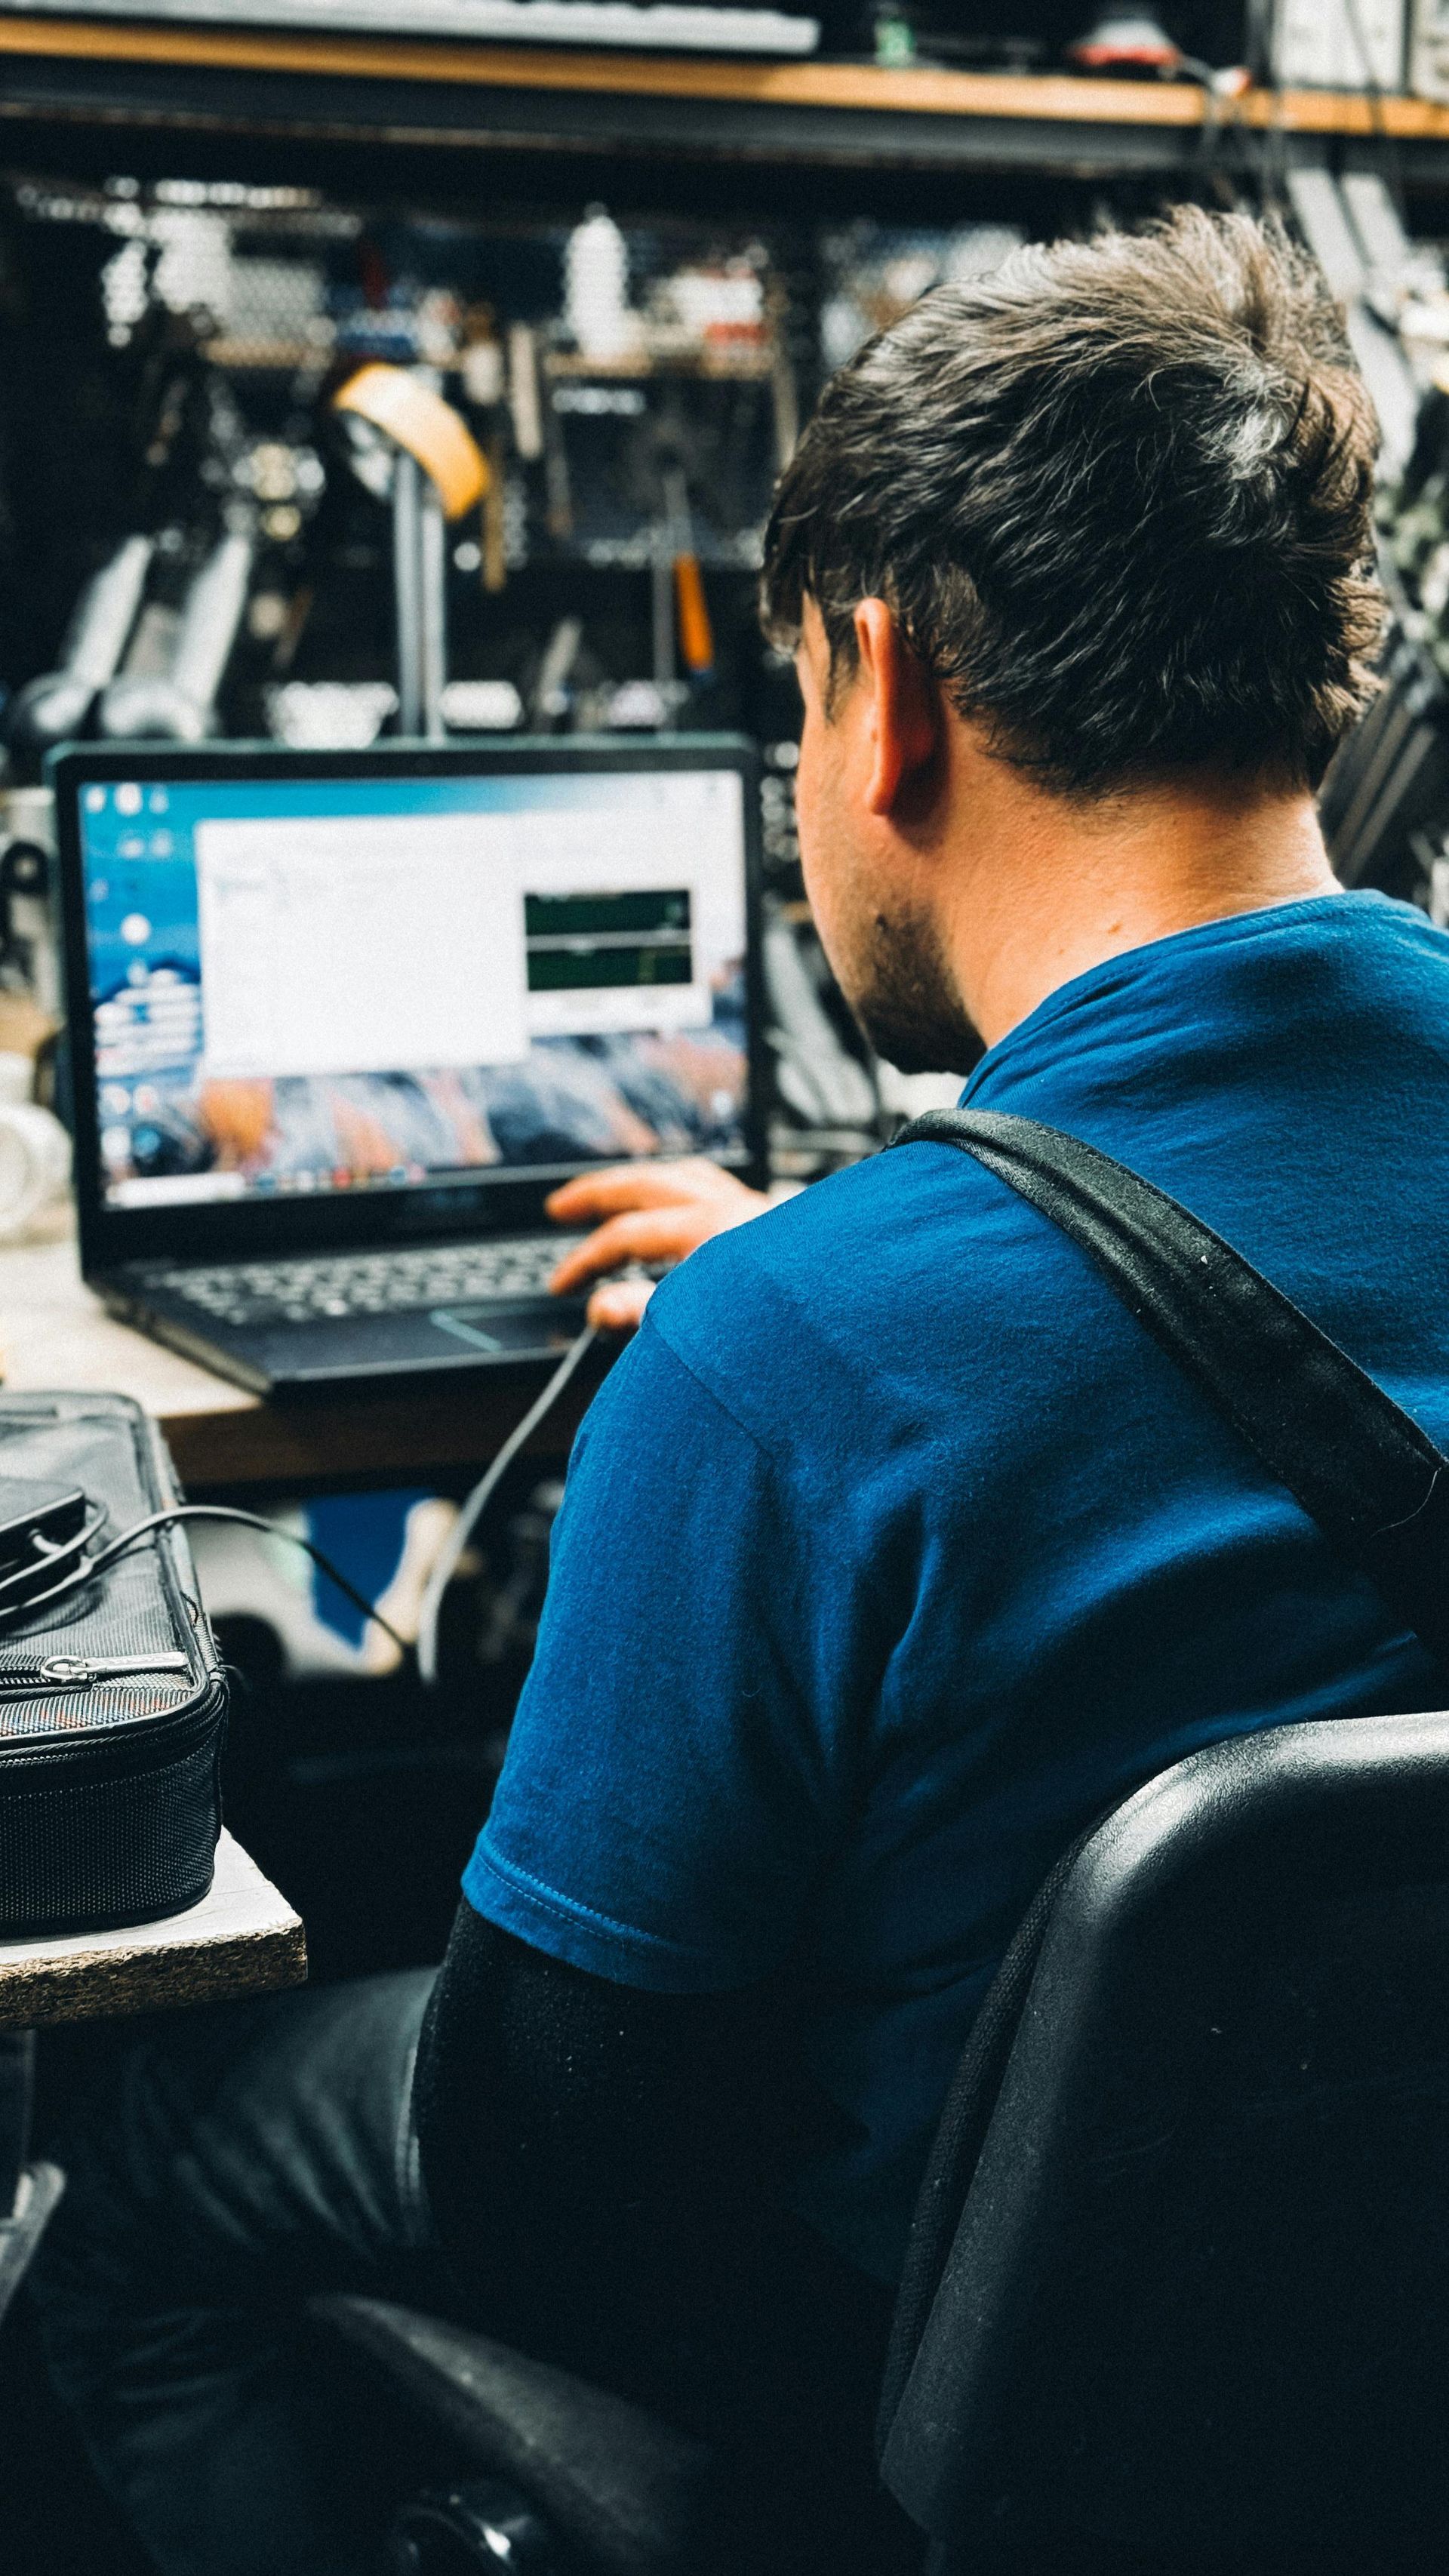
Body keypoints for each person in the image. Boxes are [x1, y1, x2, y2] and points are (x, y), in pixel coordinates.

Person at [30, 205, 1446, 2574]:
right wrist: (869, 1249)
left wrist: (815, 1302)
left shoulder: (795, 1359)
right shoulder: (840, 1316)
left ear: (882, 686)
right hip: (1370, 2364)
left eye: (794, 698)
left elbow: (552, 2176)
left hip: (919, 2392)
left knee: (140, 2168)